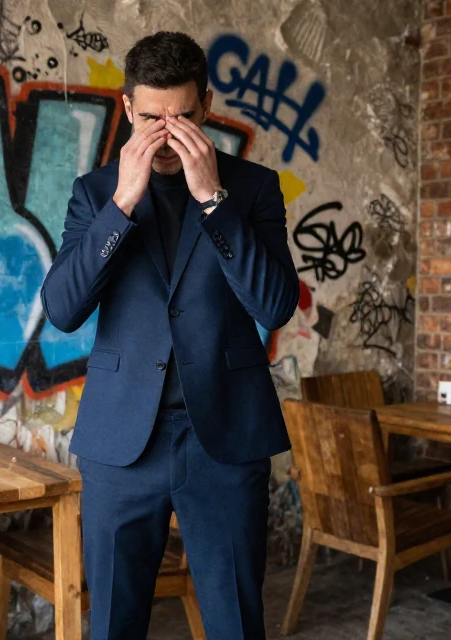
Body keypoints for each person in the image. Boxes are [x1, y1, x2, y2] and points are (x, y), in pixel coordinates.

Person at [41, 30, 299, 639]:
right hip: (122, 441)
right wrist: (122, 205)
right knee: (111, 624)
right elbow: (63, 308)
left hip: (226, 439)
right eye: (152, 117)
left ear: (206, 105)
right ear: (128, 108)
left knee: (237, 621)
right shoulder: (95, 193)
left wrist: (213, 199)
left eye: (182, 116)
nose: (165, 133)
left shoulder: (254, 188)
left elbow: (275, 304)